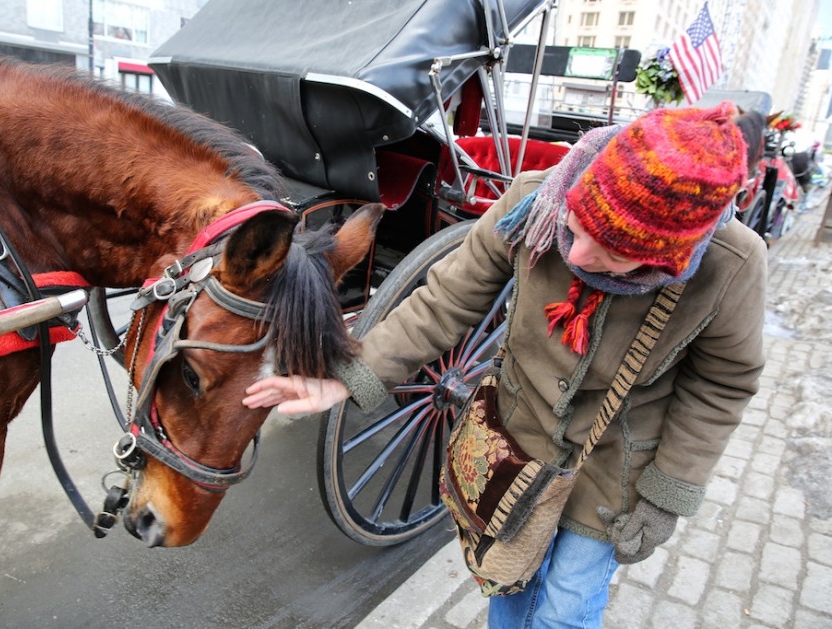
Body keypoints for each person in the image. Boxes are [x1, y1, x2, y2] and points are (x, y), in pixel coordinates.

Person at [243, 102, 766, 628]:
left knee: (566, 607)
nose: (577, 255)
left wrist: (667, 493)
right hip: (519, 438)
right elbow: (446, 299)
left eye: (609, 251)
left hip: (617, 463)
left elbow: (722, 384)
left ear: (666, 257)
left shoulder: (732, 265)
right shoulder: (537, 199)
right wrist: (349, 376)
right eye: (576, 224)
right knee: (509, 582)